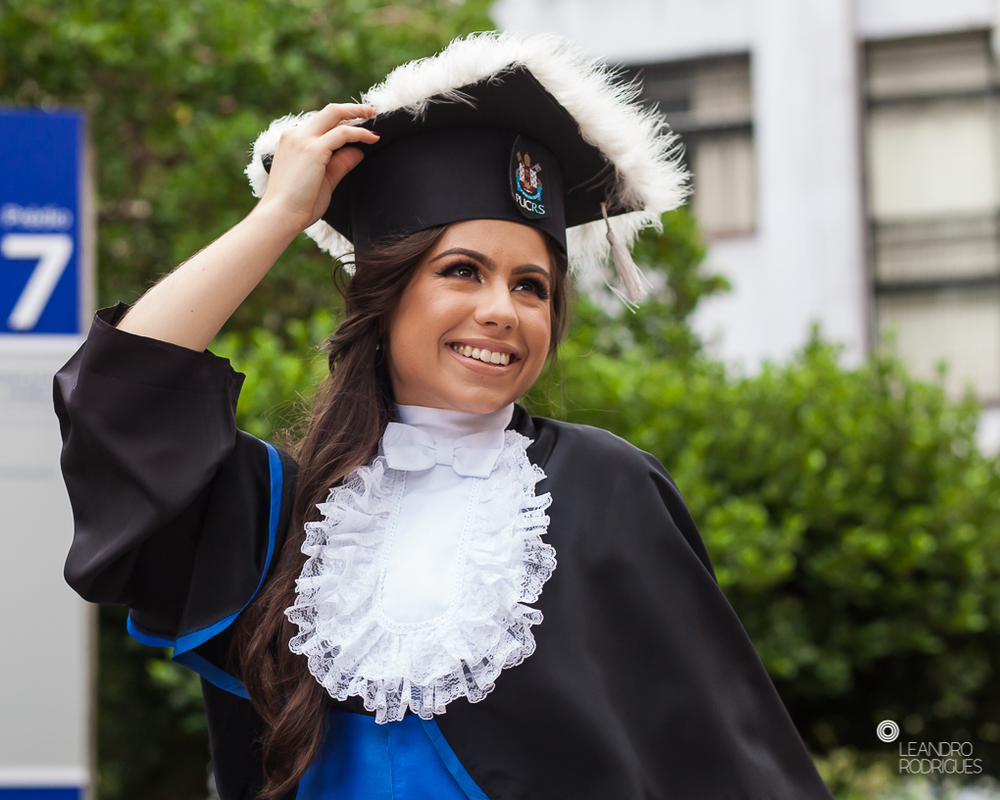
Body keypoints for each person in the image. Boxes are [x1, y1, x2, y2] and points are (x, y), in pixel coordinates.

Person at [54, 31, 836, 800]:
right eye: (463, 271)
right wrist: (276, 219)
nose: (503, 310)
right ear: (385, 295)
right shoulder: (279, 516)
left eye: (531, 286)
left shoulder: (607, 487)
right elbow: (122, 399)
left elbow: (727, 759)